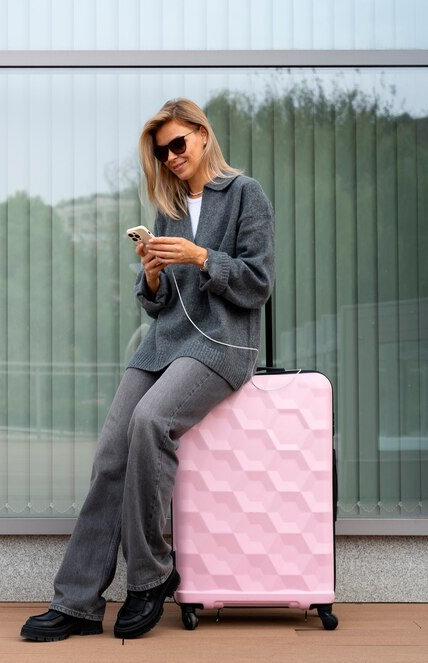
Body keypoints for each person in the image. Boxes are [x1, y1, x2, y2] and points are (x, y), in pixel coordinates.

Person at [20, 98, 275, 641]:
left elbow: (258, 284)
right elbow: (156, 304)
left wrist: (201, 257)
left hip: (221, 346)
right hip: (164, 343)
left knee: (148, 422)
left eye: (178, 144)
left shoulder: (246, 195)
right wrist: (155, 274)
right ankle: (78, 603)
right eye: (162, 153)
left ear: (203, 136)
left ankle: (149, 577)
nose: (172, 157)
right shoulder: (171, 205)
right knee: (111, 450)